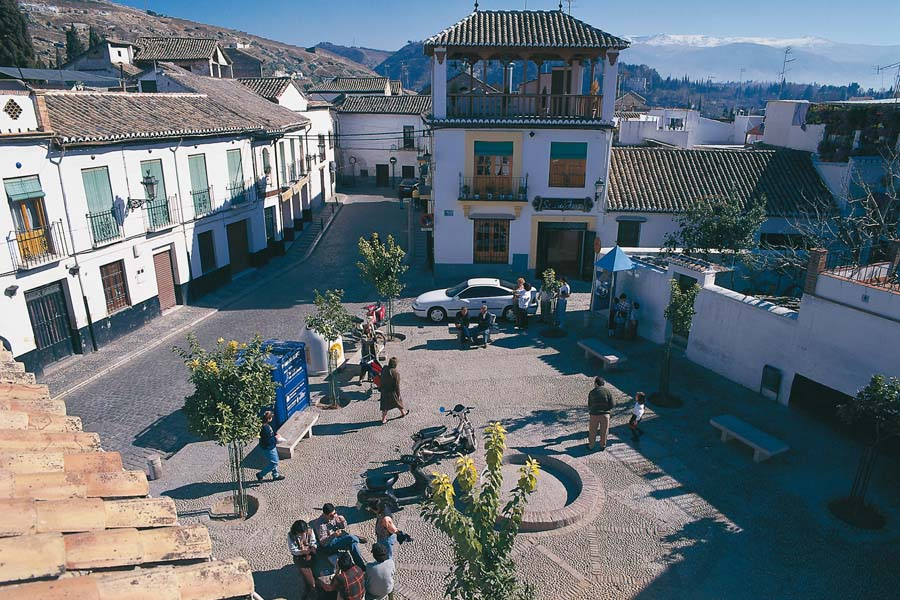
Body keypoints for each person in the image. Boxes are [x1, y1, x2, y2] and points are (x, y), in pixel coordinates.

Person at [311, 503, 368, 570]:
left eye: (335, 513)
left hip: (338, 537)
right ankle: (356, 538)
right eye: (331, 516)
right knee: (351, 538)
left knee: (353, 544)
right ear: (325, 515)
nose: (333, 516)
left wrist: (343, 521)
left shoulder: (334, 516)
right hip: (330, 544)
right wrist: (334, 535)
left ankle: (361, 566)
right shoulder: (320, 525)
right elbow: (323, 543)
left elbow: (342, 527)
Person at [288, 520, 317, 597]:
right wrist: (302, 552)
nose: (304, 534)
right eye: (302, 533)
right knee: (310, 581)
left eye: (304, 532)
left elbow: (313, 541)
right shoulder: (291, 535)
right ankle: (310, 588)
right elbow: (293, 550)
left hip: (309, 552)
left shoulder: (309, 530)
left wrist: (312, 547)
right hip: (300, 556)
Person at [256, 411, 286, 482]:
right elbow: (268, 440)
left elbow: (271, 433)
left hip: (270, 446)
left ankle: (275, 475)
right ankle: (260, 474)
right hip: (269, 447)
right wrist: (276, 439)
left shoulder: (265, 425)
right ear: (269, 418)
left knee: (274, 461)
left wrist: (275, 434)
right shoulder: (265, 428)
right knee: (274, 463)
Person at [587, 376, 615, 451]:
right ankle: (602, 445)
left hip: (594, 415)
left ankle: (591, 446)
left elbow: (589, 405)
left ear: (596, 383)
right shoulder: (608, 392)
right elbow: (612, 404)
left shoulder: (592, 392)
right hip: (605, 415)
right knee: (604, 431)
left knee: (592, 431)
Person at [379, 357, 408, 424]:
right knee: (398, 402)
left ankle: (384, 419)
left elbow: (381, 378)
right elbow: (397, 385)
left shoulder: (384, 368)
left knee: (384, 405)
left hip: (384, 390)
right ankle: (403, 413)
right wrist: (398, 394)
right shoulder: (395, 373)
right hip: (392, 391)